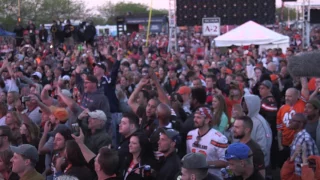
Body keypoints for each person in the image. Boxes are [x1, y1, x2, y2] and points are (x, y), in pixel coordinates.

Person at [186, 107, 228, 178]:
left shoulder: (219, 138)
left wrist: (204, 164)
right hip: (195, 176)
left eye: (198, 117)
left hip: (213, 176)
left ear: (207, 120)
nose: (195, 120)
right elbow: (189, 155)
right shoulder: (190, 135)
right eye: (195, 117)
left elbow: (225, 162)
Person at [277, 78, 309, 167]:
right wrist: (280, 145)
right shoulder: (282, 109)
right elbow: (279, 129)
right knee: (284, 167)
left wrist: (301, 72)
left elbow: (305, 87)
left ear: (297, 96)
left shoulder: (302, 104)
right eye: (286, 95)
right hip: (285, 145)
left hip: (298, 145)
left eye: (290, 96)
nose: (287, 98)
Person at [241, 94, 272, 168]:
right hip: (246, 162)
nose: (243, 104)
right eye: (242, 102)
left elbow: (263, 146)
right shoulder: (246, 119)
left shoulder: (259, 122)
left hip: (258, 164)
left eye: (246, 102)